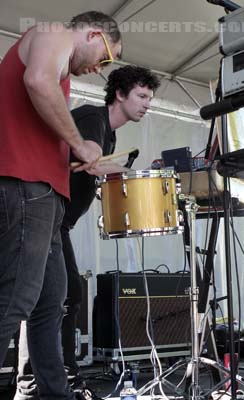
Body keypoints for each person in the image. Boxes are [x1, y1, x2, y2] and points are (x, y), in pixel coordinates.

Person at [14, 65, 161, 399]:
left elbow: (87, 170)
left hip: (56, 221)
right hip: (43, 216)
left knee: (54, 299)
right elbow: (90, 158)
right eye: (141, 95)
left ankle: (40, 383)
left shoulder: (112, 134)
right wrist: (127, 169)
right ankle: (40, 382)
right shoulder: (95, 119)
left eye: (150, 98)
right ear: (120, 94)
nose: (147, 104)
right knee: (50, 299)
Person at [0, 11, 121, 399]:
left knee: (51, 301)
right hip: (25, 185)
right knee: (16, 297)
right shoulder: (53, 33)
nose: (100, 69)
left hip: (46, 198)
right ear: (93, 33)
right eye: (105, 57)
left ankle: (51, 392)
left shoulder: (63, 70)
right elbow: (36, 80)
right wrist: (79, 142)